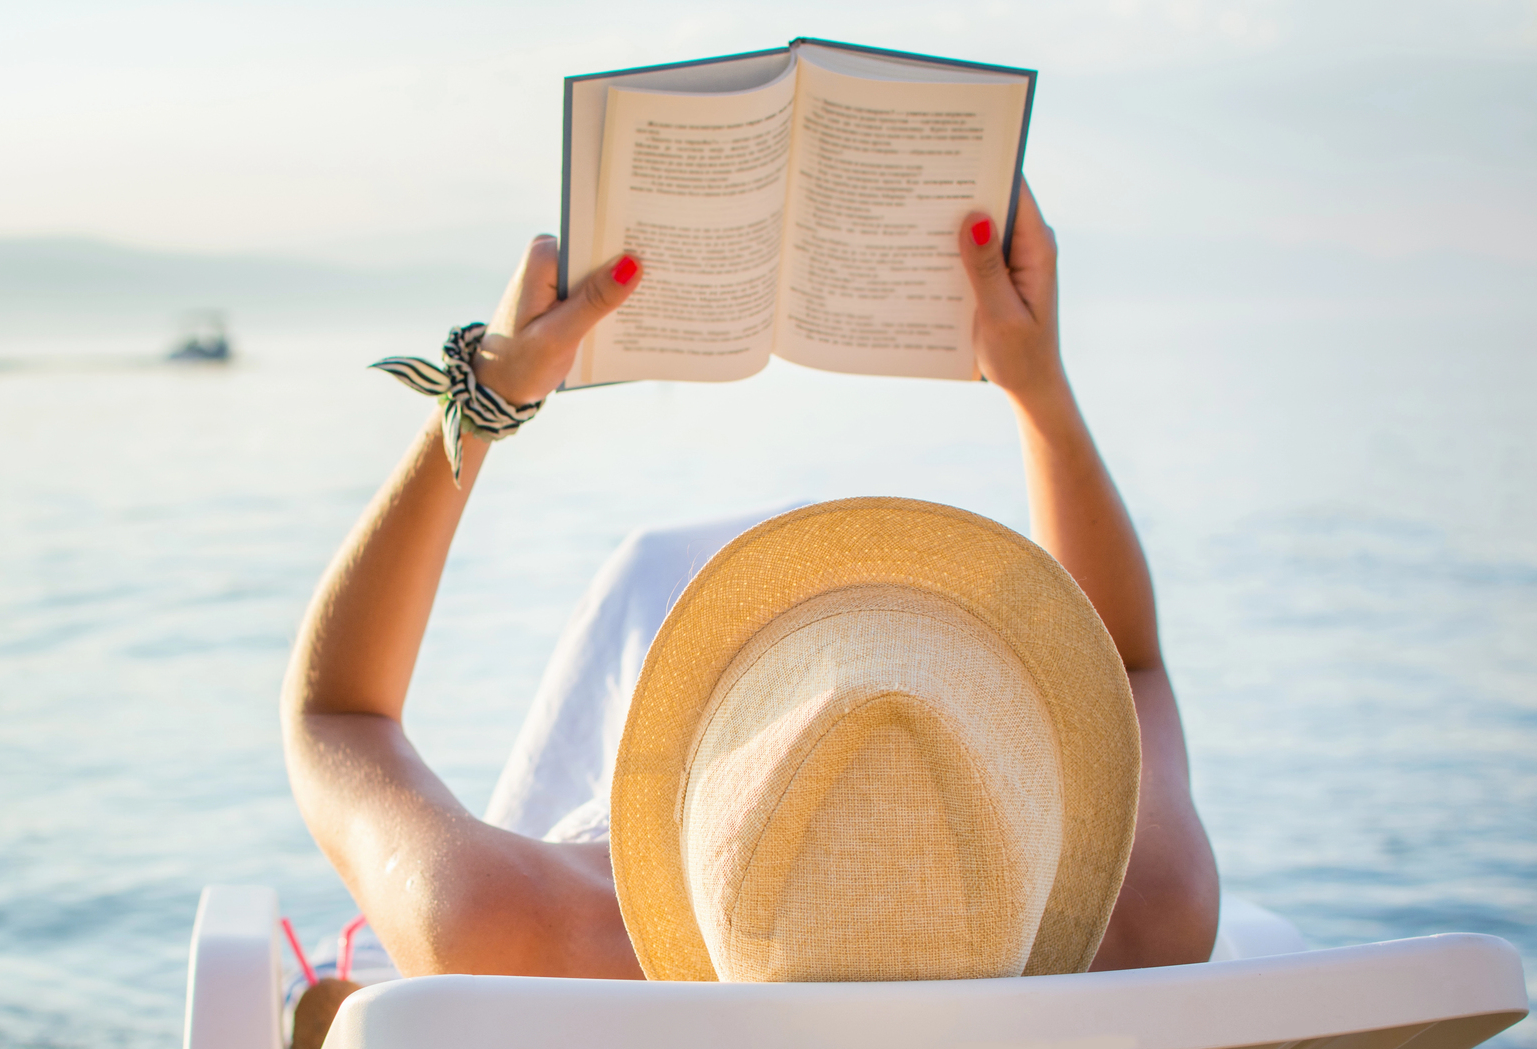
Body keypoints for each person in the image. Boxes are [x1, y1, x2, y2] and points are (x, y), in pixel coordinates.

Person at [279, 181, 1219, 981]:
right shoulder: (1151, 923)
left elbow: (335, 718)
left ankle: (328, 997)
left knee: (651, 573)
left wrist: (483, 400)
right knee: (656, 571)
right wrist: (1037, 384)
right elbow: (1126, 665)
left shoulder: (524, 931)